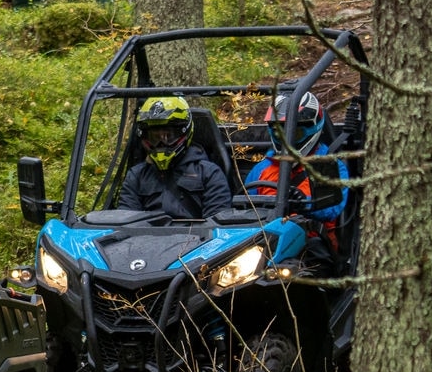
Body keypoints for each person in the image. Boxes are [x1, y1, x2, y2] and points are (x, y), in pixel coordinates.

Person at [245, 84, 351, 265]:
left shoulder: (328, 166)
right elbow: (245, 211)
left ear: (312, 128)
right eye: (281, 132)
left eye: (296, 132)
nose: (287, 138)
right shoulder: (261, 170)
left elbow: (332, 208)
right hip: (265, 247)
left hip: (312, 247)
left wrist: (304, 203)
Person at [116, 94, 232, 220]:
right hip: (145, 238)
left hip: (197, 238)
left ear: (184, 132)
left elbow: (218, 225)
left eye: (168, 136)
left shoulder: (209, 173)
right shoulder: (136, 175)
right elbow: (125, 222)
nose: (161, 143)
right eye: (155, 138)